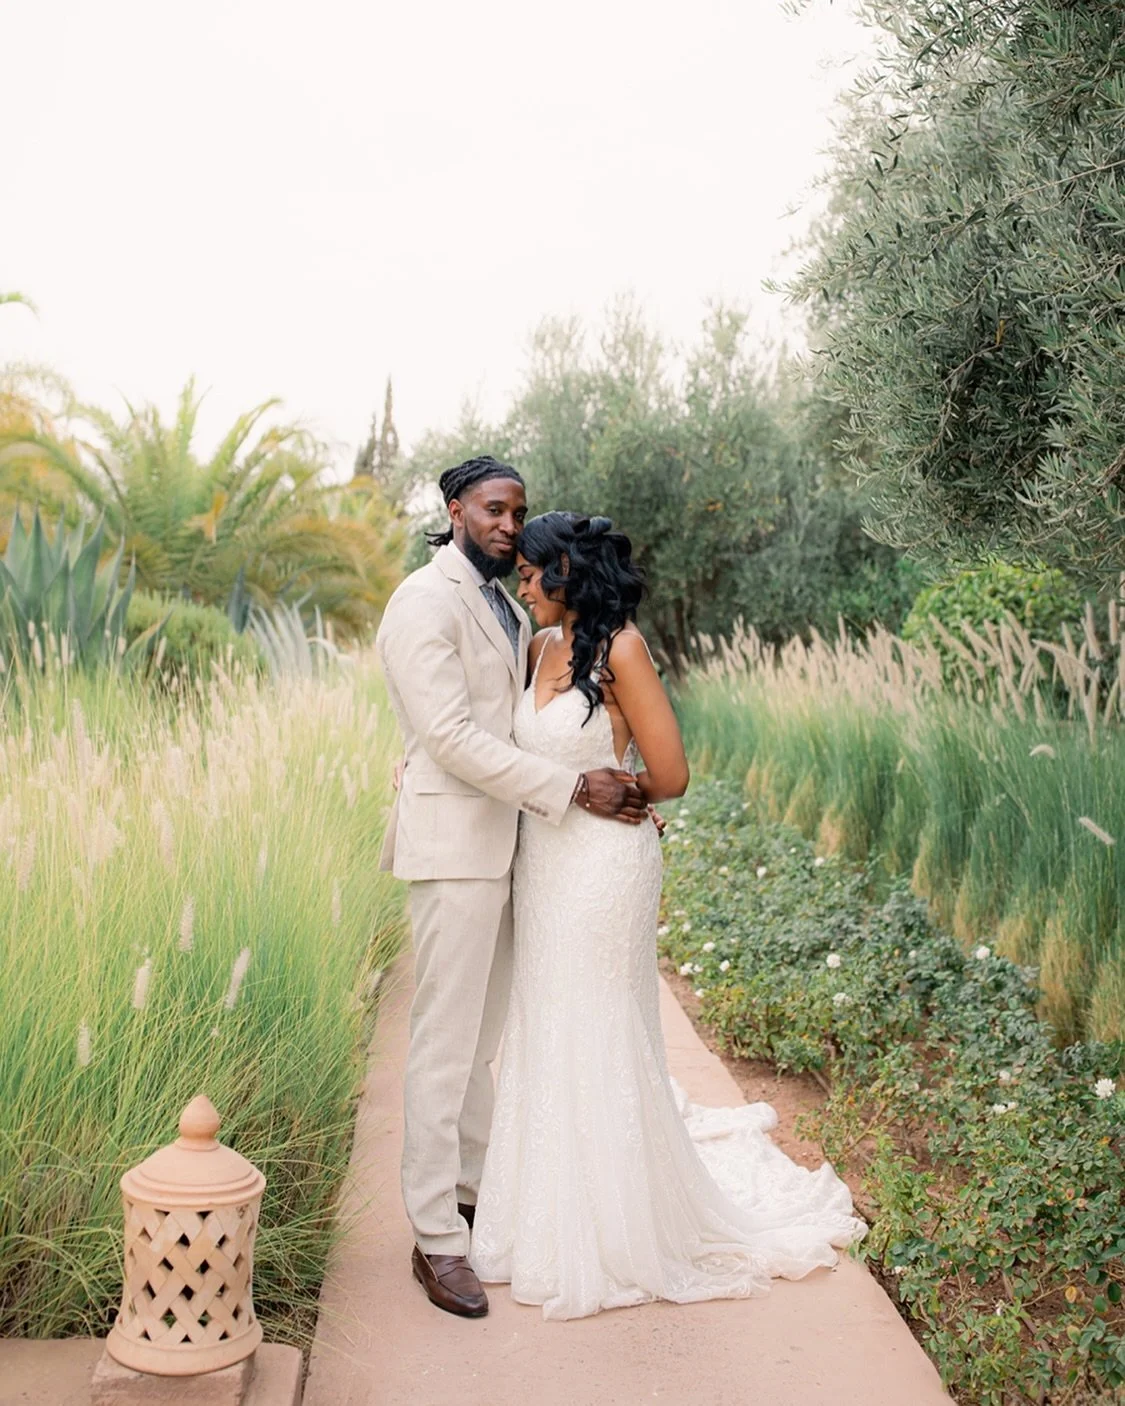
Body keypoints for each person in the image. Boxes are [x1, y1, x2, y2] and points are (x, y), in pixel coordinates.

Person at [468, 510, 866, 1320]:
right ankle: (543, 1210)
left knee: (599, 1020)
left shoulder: (622, 649)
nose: (521, 580)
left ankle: (618, 1229)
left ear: (568, 571)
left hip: (604, 865)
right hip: (542, 863)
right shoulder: (537, 647)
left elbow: (672, 771)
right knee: (545, 1019)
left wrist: (624, 792)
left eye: (533, 568)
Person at [375, 458, 646, 1320]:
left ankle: (471, 1189)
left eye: (518, 510)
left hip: (515, 847)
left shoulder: (501, 600)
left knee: (483, 1040)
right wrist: (571, 788)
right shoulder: (424, 599)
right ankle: (434, 1239)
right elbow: (450, 736)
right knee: (444, 1047)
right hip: (456, 850)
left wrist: (599, 782)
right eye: (494, 508)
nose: (507, 523)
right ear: (453, 508)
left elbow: (514, 720)